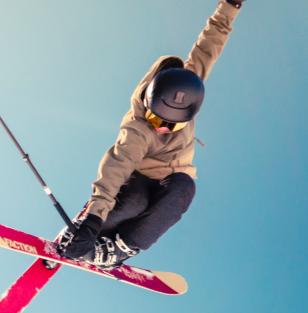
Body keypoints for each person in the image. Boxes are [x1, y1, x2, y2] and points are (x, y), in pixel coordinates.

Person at [59, 0, 244, 269]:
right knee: (132, 204)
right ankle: (88, 233)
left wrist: (230, 6)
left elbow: (211, 41)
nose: (162, 128)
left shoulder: (190, 81)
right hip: (138, 178)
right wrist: (92, 220)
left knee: (184, 189)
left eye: (171, 125)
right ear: (149, 103)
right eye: (156, 119)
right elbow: (116, 166)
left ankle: (120, 248)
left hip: (172, 180)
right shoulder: (138, 127)